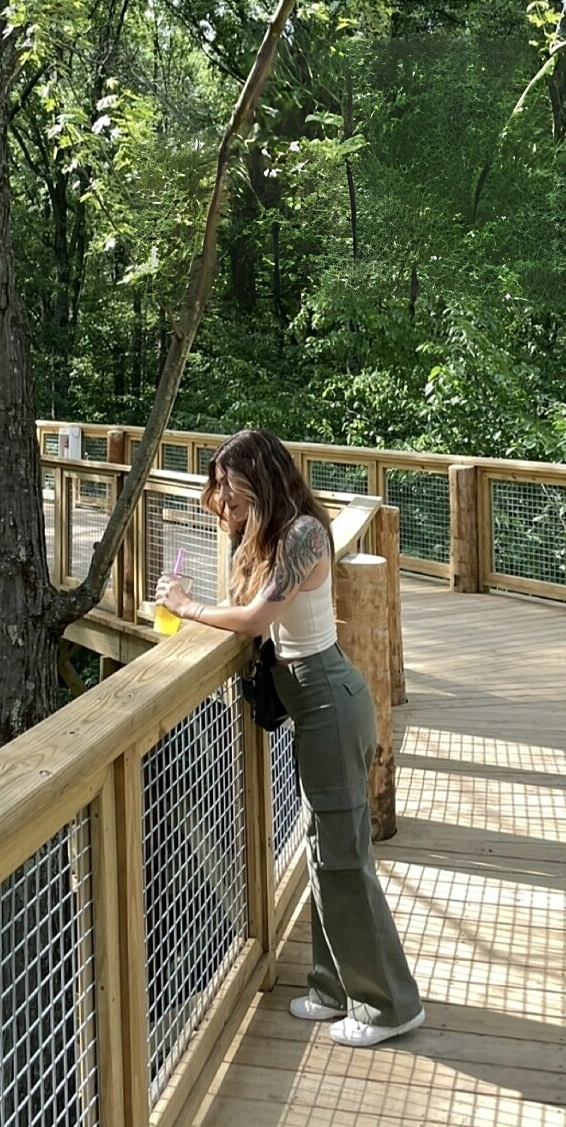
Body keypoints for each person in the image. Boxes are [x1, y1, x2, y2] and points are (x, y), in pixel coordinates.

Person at [155, 428, 425, 1049]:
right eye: (221, 492)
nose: (225, 501)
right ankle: (334, 989)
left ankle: (388, 1004)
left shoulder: (303, 533)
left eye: (232, 490)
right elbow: (246, 600)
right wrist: (232, 526)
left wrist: (188, 606)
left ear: (262, 478)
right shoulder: (272, 534)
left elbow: (253, 620)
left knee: (343, 858)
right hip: (313, 707)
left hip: (329, 701)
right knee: (322, 849)